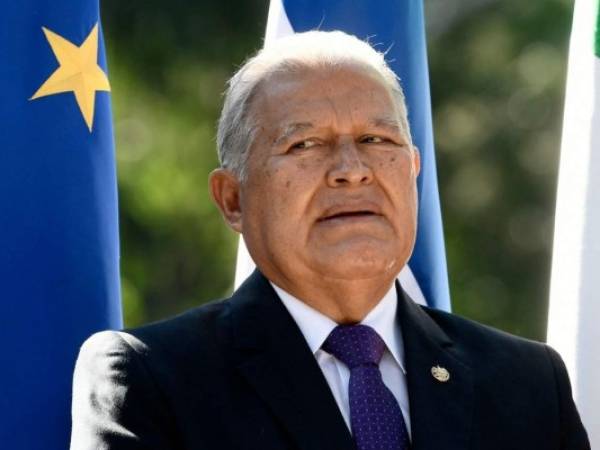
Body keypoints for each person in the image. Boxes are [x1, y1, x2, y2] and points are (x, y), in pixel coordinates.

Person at [69, 31, 590, 450]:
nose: (351, 170)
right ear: (232, 199)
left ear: (413, 173)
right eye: (306, 143)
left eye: (375, 140)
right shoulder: (150, 380)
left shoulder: (527, 383)